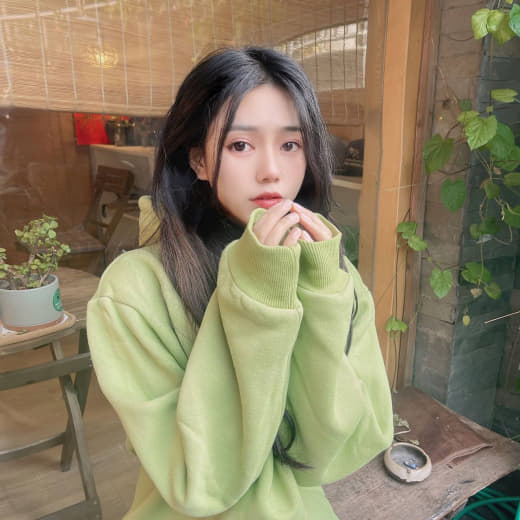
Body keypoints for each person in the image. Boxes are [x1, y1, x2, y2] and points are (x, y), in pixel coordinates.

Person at [87, 47, 393, 520]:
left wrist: (322, 293)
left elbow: (335, 454)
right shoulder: (133, 292)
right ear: (199, 160)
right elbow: (199, 483)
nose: (272, 169)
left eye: (290, 145)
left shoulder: (331, 275)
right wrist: (257, 301)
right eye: (240, 145)